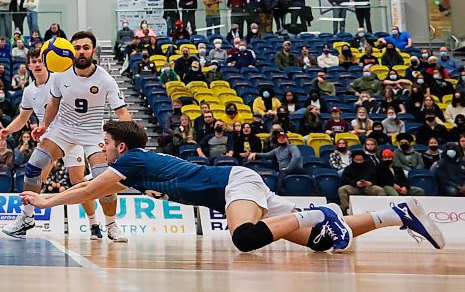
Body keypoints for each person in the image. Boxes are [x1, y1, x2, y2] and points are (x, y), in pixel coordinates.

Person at [23, 120, 447, 255]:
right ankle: (396, 214)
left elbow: (90, 191)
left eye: (105, 144)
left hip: (235, 183)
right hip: (237, 187)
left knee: (244, 238)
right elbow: (96, 189)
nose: (102, 149)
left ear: (120, 145)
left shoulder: (130, 159)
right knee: (320, 244)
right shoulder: (131, 164)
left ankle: (322, 212)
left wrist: (46, 199)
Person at [1, 32, 131, 241]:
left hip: (92, 133)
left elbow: (123, 113)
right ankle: (26, 217)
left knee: (104, 181)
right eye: (77, 47)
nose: (81, 51)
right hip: (63, 129)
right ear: (71, 50)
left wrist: (129, 140)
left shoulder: (106, 79)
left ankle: (111, 224)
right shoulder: (60, 74)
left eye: (85, 47)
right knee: (33, 166)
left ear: (93, 51)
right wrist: (44, 126)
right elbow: (53, 103)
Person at [338, 150, 386, 214]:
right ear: (353, 159)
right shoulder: (348, 168)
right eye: (356, 160)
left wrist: (370, 183)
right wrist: (355, 183)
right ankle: (346, 211)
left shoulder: (370, 168)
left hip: (367, 187)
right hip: (354, 187)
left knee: (380, 190)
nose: (359, 162)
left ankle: (381, 210)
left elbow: (376, 178)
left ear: (364, 159)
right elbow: (345, 179)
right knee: (342, 189)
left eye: (361, 160)